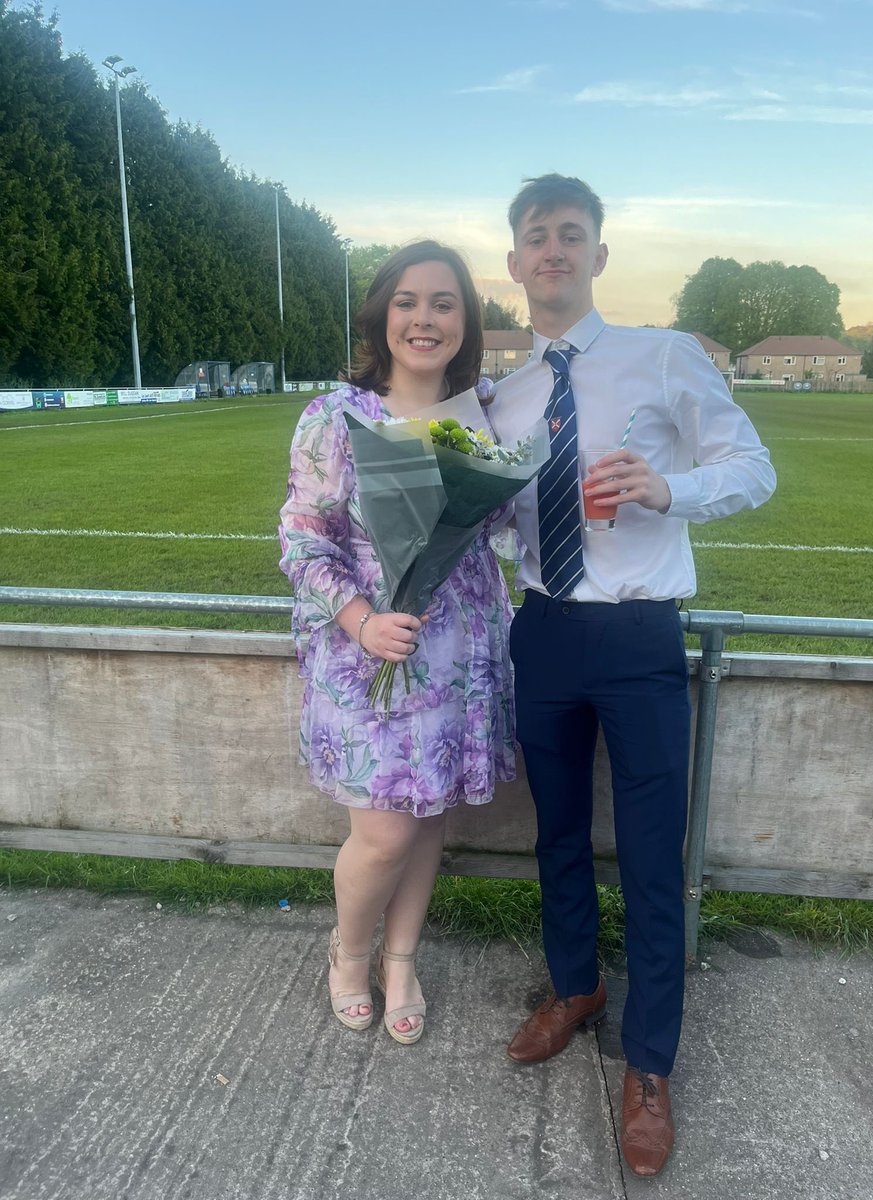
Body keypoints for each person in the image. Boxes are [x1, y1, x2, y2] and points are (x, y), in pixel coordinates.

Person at [489, 175, 776, 1177]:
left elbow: (754, 468)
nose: (554, 251)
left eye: (572, 235)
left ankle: (648, 1065)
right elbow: (491, 518)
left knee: (653, 856)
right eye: (537, 237)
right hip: (545, 632)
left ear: (599, 255)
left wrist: (669, 486)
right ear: (516, 261)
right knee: (557, 835)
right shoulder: (506, 397)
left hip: (641, 635)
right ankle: (575, 988)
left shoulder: (664, 357)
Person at [278, 241, 516, 1045]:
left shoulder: (486, 412)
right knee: (382, 830)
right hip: (367, 651)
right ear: (383, 315)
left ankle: (402, 960)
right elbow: (303, 541)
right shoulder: (335, 417)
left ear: (465, 320)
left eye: (444, 303)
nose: (425, 318)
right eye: (409, 301)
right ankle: (349, 955)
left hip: (460, 649)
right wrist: (361, 621)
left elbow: (506, 521)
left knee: (426, 815)